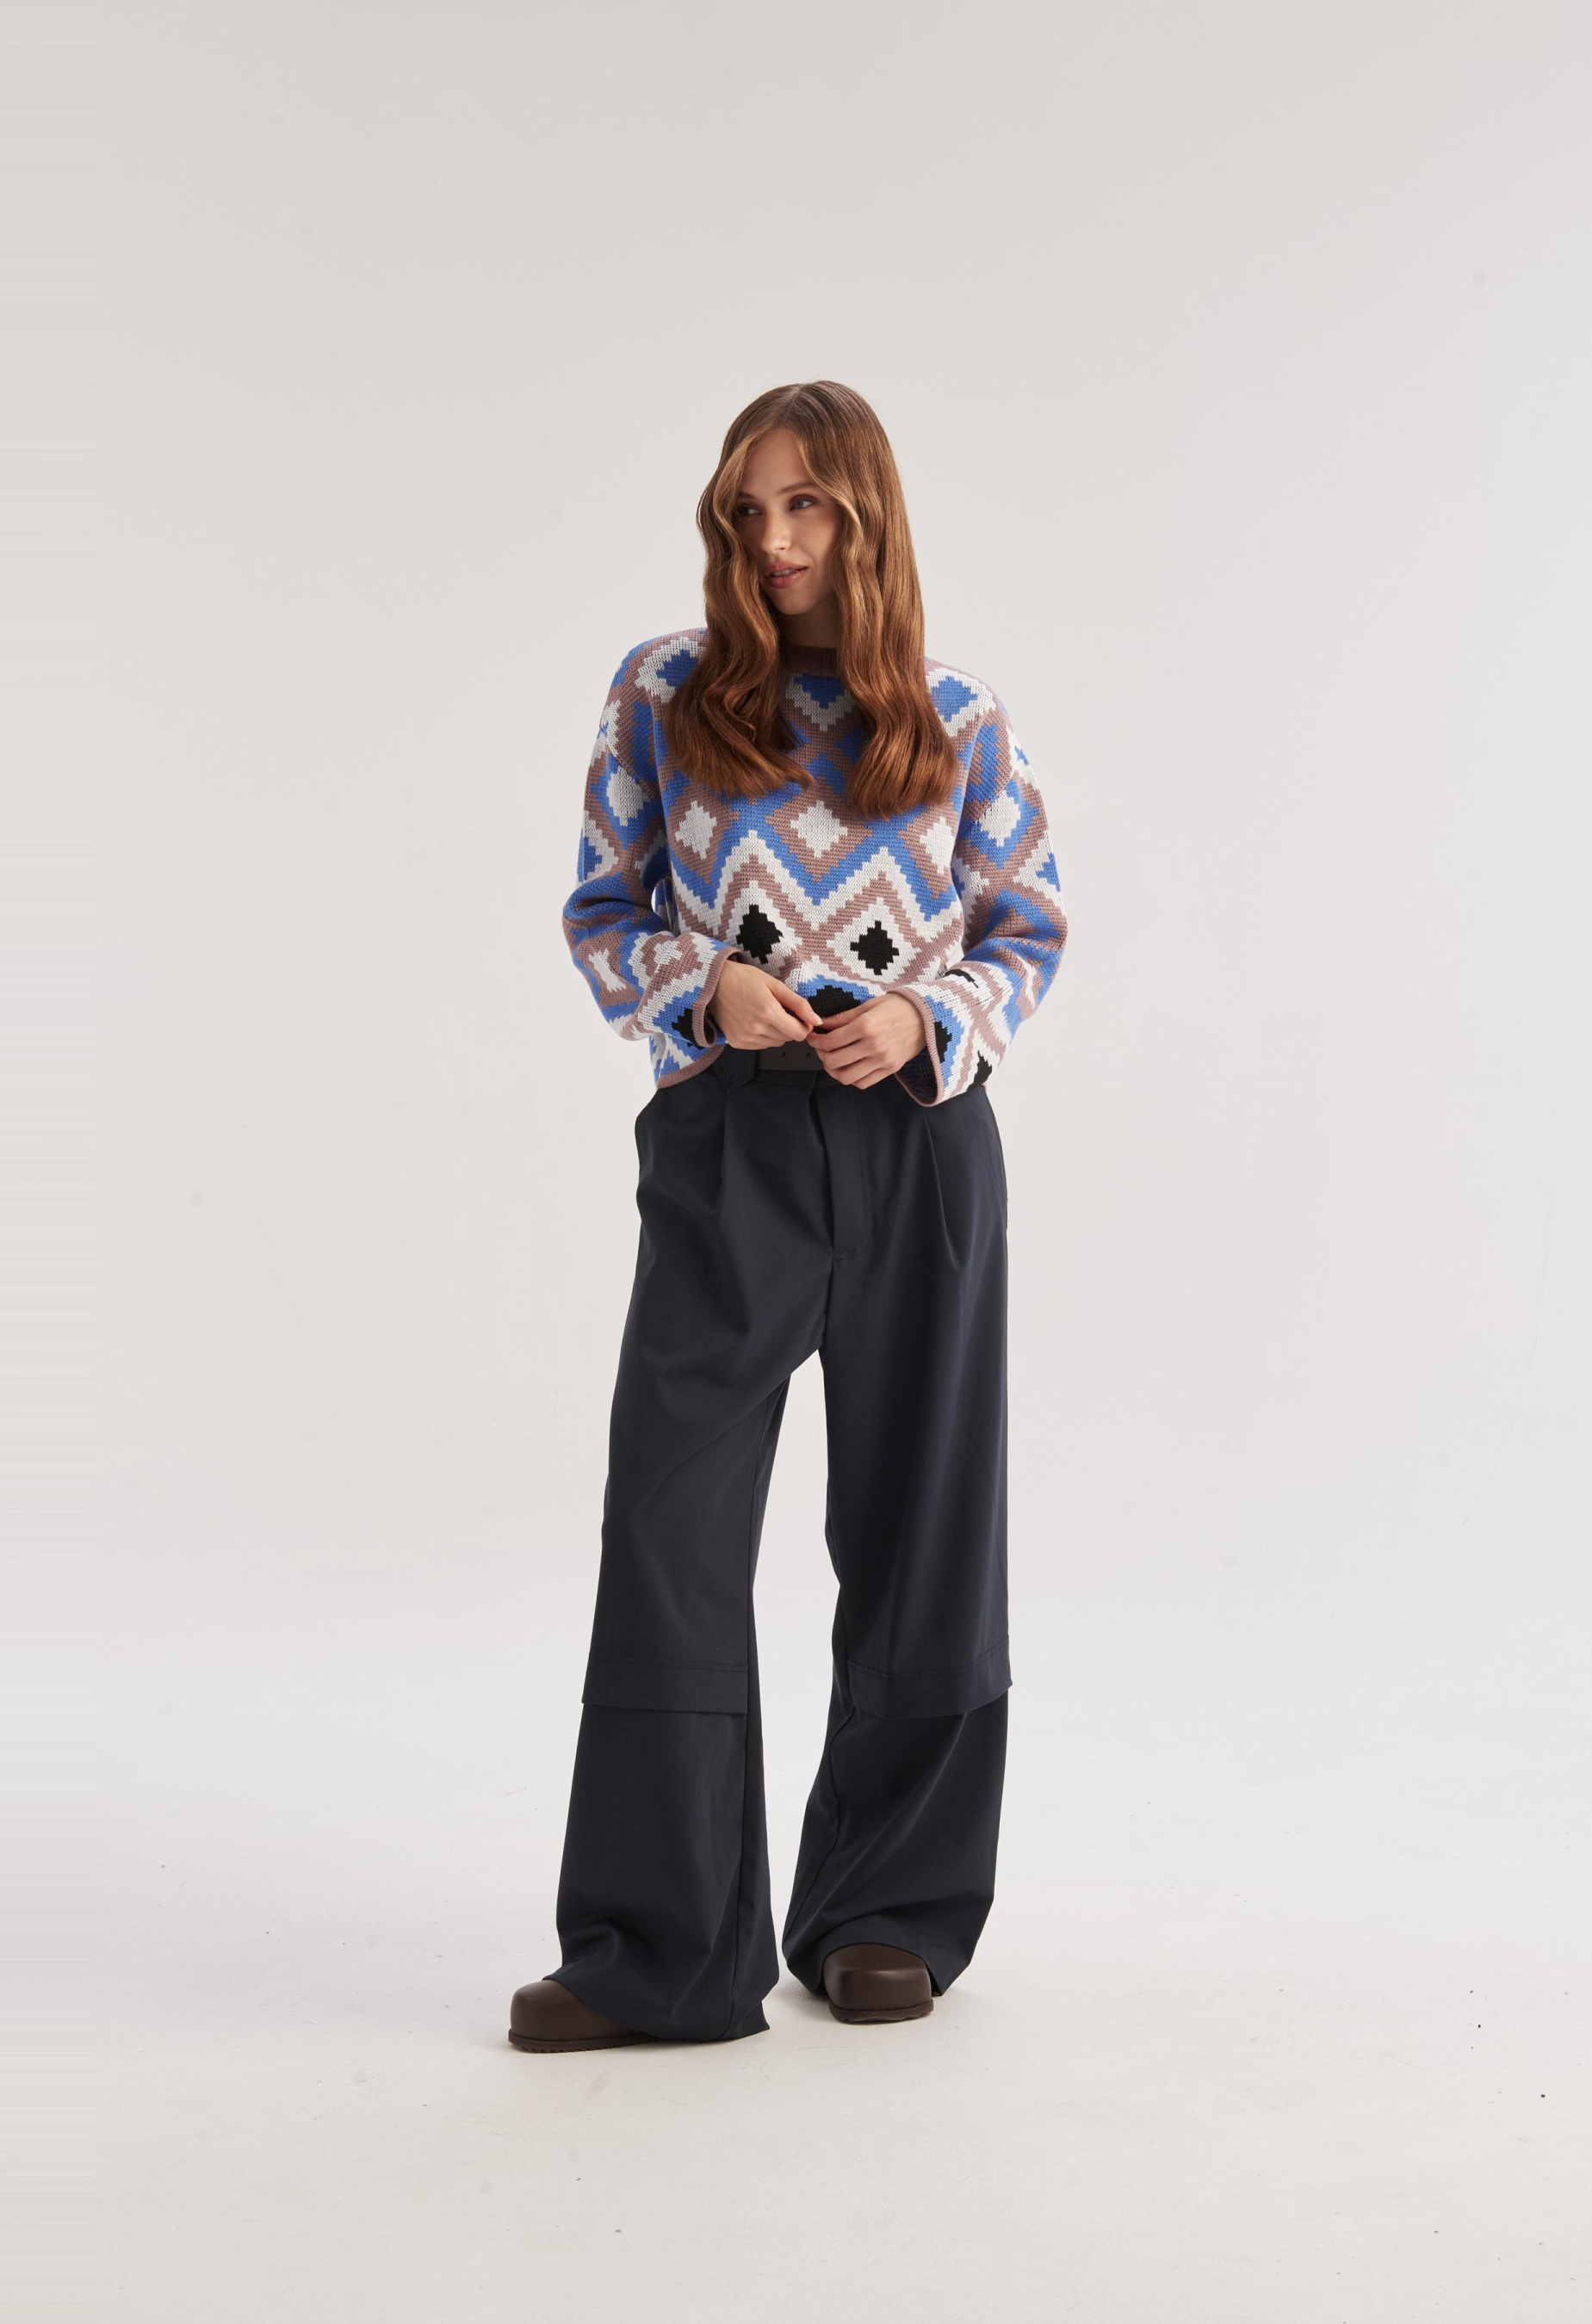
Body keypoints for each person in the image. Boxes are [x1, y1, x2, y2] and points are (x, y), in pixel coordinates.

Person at [509, 380, 1069, 2051]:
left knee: (921, 1524)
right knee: (670, 1528)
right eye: (747, 509)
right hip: (728, 1140)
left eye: (806, 504)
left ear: (865, 513)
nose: (772, 539)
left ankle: (887, 1912)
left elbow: (1028, 926)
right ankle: (661, 1945)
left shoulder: (955, 718)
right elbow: (602, 909)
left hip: (918, 1145)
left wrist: (924, 1019)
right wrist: (705, 989)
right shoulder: (663, 696)